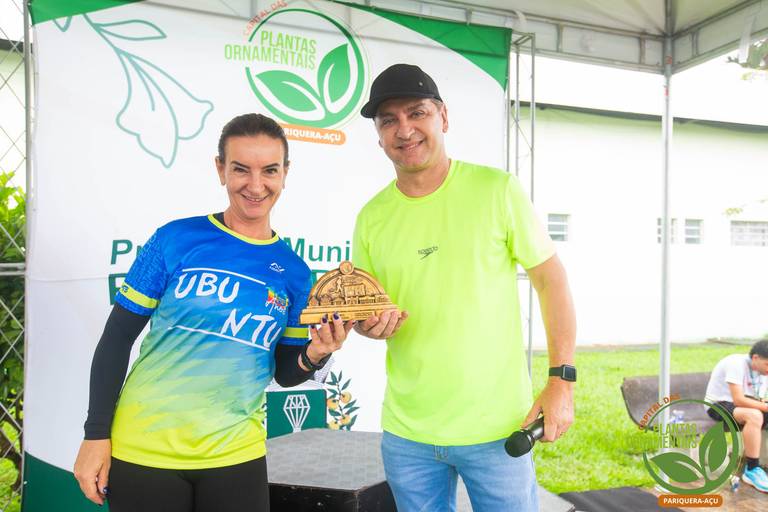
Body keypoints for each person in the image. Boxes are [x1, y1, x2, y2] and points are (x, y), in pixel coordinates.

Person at [73, 113, 354, 512]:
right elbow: (117, 338)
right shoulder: (176, 239)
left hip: (236, 454)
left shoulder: (294, 272)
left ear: (285, 174)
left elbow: (285, 372)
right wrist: (96, 434)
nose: (255, 185)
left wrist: (316, 353)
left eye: (269, 170)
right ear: (220, 169)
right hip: (145, 450)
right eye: (241, 169)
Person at [352, 63, 576, 511]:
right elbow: (365, 312)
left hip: (498, 430)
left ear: (444, 117)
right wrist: (368, 325)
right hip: (408, 435)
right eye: (389, 120)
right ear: (378, 136)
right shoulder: (371, 217)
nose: (404, 129)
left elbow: (551, 281)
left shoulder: (497, 190)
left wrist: (561, 381)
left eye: (417, 113)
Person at [705, 339, 768, 492]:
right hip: (718, 405)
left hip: (744, 407)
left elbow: (759, 398)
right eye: (767, 364)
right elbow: (738, 399)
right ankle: (752, 469)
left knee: (756, 414)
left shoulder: (762, 371)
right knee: (754, 416)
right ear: (755, 358)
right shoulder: (736, 363)